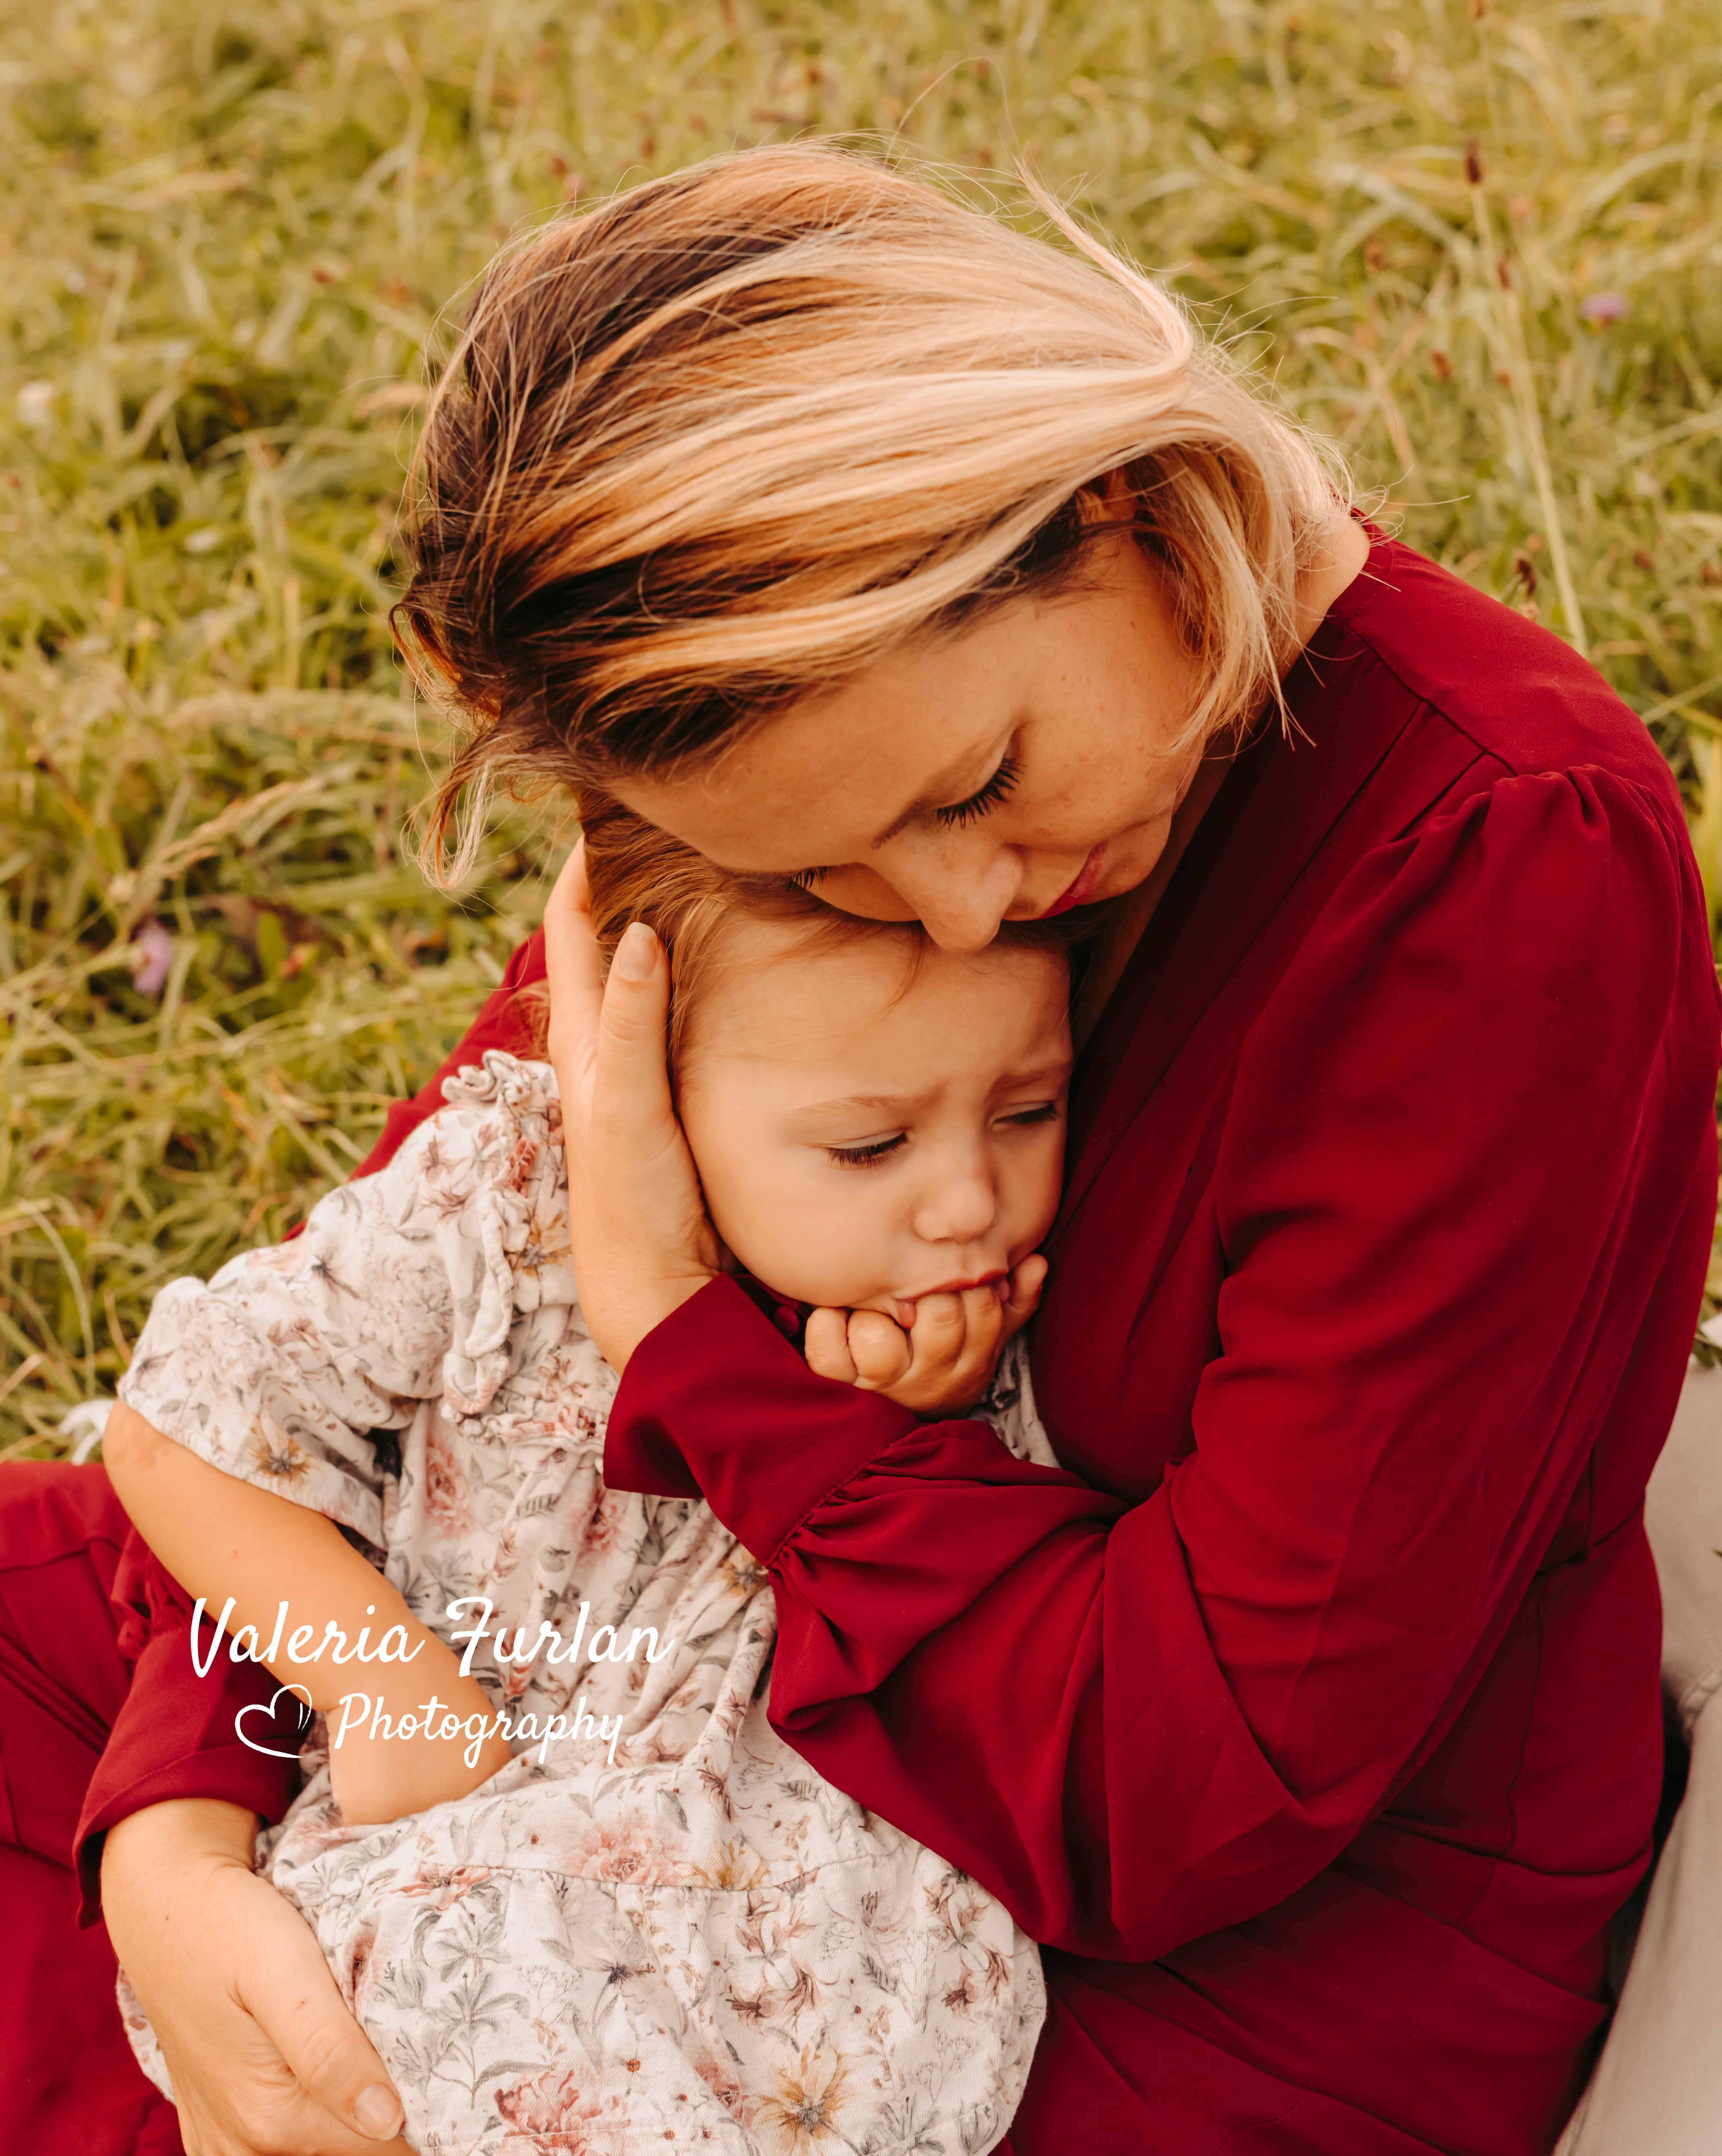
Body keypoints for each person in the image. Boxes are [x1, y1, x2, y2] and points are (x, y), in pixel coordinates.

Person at [2, 143, 1717, 2156]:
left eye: (978, 782)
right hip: (629, 1660)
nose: (970, 912)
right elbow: (358, 1366)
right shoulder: (806, 740)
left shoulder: (1496, 859)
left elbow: (1197, 1789)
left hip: (1175, 1933)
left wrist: (687, 1351)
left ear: (1106, 493)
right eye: (824, 866)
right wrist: (183, 1848)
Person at [96, 810, 1072, 2154]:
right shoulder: (511, 1203)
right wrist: (385, 1685)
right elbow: (182, 1419)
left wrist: (919, 1423)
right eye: (868, 1147)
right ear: (651, 1094)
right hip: (491, 1801)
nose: (973, 1198)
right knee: (429, 2033)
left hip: (791, 1909)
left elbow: (1021, 1637)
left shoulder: (987, 1318)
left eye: (1029, 1109)